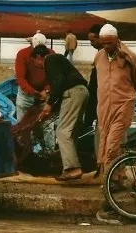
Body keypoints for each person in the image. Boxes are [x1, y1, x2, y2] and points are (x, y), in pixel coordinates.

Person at [94, 23, 136, 224]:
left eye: (110, 43)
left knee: (112, 145)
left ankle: (110, 185)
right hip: (104, 106)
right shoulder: (98, 57)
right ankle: (118, 177)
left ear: (117, 40)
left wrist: (130, 94)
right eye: (103, 43)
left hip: (123, 103)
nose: (106, 46)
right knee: (105, 143)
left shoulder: (129, 57)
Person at [35, 49, 89, 181]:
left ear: (38, 56)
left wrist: (48, 105)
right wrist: (52, 107)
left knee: (62, 132)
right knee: (72, 132)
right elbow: (61, 85)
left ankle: (72, 169)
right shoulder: (60, 60)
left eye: (36, 63)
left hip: (72, 93)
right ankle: (72, 166)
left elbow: (58, 83)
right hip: (82, 92)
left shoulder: (50, 60)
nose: (39, 66)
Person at [14, 32, 55, 121]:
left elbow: (53, 76)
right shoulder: (23, 54)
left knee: (47, 125)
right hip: (26, 96)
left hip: (44, 95)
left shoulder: (52, 54)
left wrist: (46, 90)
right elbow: (20, 78)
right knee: (22, 125)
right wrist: (34, 92)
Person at [85, 24, 103, 130]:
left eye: (93, 41)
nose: (92, 44)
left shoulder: (104, 53)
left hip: (98, 93)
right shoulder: (100, 52)